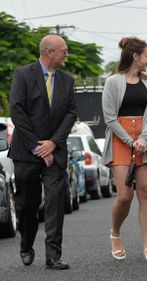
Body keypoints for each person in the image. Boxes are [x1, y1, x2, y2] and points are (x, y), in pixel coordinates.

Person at [9, 34, 77, 270]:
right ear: (49, 52)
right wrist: (39, 146)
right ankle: (26, 244)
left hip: (55, 152)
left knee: (56, 203)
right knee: (27, 203)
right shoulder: (23, 74)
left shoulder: (67, 81)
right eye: (64, 51)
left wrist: (53, 143)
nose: (67, 54)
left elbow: (71, 114)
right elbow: (16, 111)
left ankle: (53, 255)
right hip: (26, 151)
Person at [102, 36, 147, 262]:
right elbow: (109, 118)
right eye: (146, 56)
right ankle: (115, 232)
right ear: (135, 56)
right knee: (124, 196)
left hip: (143, 140)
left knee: (146, 192)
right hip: (120, 139)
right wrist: (130, 140)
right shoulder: (112, 82)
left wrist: (143, 137)